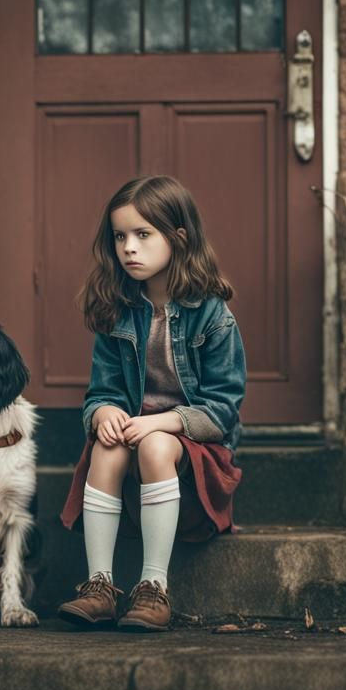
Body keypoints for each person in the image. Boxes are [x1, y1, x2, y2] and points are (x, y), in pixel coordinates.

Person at [57, 175, 246, 632]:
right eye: (120, 236)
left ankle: (153, 588)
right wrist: (102, 413)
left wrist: (162, 423)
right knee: (107, 445)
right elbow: (102, 392)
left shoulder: (212, 315)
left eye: (143, 235)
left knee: (155, 445)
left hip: (193, 447)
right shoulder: (116, 309)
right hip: (134, 437)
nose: (129, 248)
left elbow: (222, 411)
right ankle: (99, 585)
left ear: (178, 239)